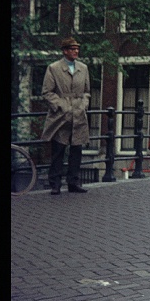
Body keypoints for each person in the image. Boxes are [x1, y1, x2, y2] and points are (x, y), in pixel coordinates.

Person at [41, 37, 91, 195]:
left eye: (77, 49)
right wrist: (61, 105)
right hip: (60, 116)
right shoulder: (54, 68)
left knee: (77, 150)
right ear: (64, 51)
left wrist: (84, 104)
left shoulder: (83, 68)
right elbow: (47, 92)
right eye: (72, 49)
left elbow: (87, 91)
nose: (76, 51)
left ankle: (73, 182)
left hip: (79, 114)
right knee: (58, 150)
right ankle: (55, 184)